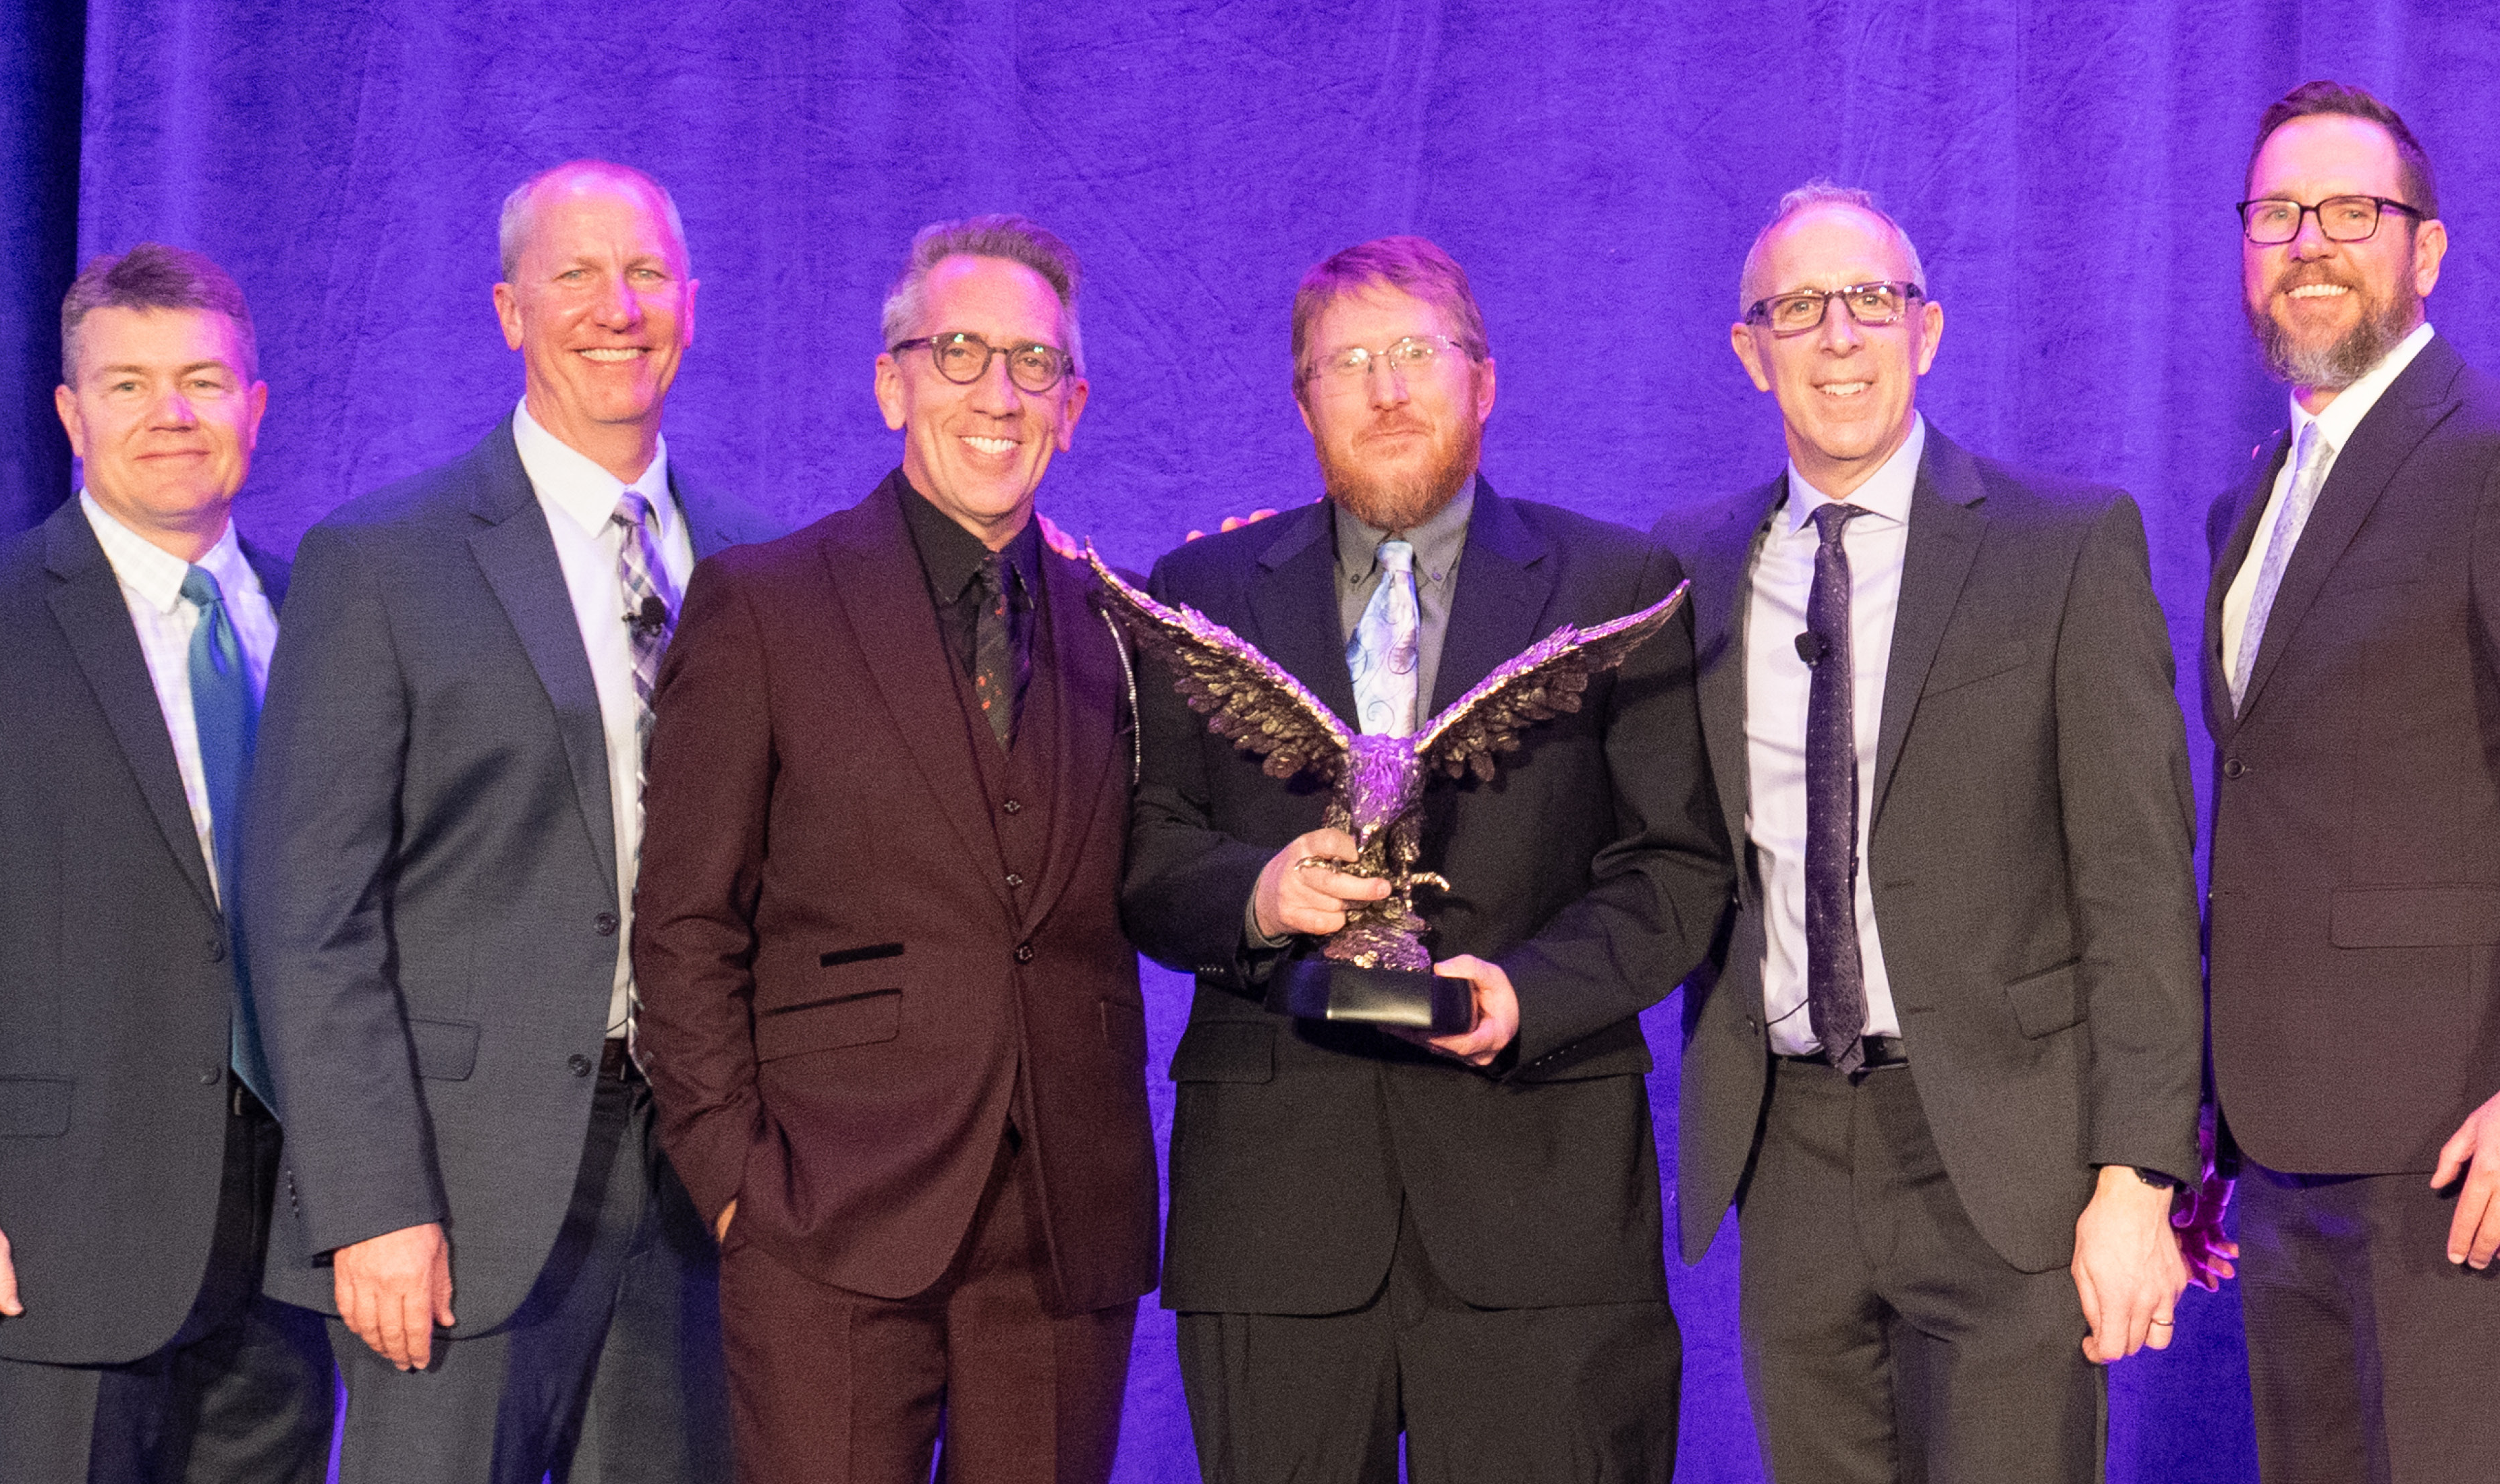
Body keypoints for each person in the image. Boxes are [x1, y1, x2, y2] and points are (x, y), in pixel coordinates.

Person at [1117, 235, 1725, 1481]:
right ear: (1303, 401)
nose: (1385, 388)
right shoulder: (1201, 590)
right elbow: (1145, 854)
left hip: (1540, 1209)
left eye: (1414, 352)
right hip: (1276, 1220)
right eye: (1346, 362)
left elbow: (1674, 869)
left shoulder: (1616, 584)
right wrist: (1260, 895)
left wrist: (1526, 994)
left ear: (1483, 380)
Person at [1655, 183, 2202, 1483]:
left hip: (2010, 1160)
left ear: (1928, 329)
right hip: (1787, 1151)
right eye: (1799, 308)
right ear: (1750, 351)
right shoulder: (1684, 570)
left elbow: (2136, 888)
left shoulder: (2062, 545)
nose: (1838, 336)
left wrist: (2138, 1176)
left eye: (1871, 299)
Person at [244, 158, 760, 1481]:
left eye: (645, 273)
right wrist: (370, 1201)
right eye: (574, 274)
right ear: (507, 311)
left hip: (696, 1189)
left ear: (691, 304)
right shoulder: (382, 560)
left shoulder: (761, 566)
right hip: (454, 1198)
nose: (616, 307)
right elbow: (310, 917)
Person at [2194, 80, 2500, 1483]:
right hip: (2281, 1144)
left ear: (2428, 249)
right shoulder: (2250, 499)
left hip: (2456, 1133)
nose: (2309, 242)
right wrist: (2209, 1113)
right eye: (2277, 214)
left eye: (2352, 211)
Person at [631, 215, 1160, 1484]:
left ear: (1073, 405)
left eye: (1033, 363)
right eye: (959, 352)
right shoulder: (765, 604)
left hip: (1061, 1230)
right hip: (825, 1215)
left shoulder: (1127, 627)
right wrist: (734, 1180)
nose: (998, 394)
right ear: (892, 384)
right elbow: (685, 921)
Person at [0, 242, 335, 1484]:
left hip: (292, 1250)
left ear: (256, 406)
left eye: (202, 382)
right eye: (127, 385)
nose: (171, 414)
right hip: (47, 1244)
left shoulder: (330, 622)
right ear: (71, 415)